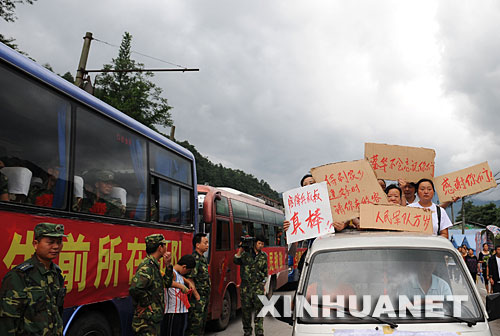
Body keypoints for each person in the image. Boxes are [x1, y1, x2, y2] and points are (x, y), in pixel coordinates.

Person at [0, 223, 67, 335]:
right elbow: (8, 322)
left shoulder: (56, 273)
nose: (56, 247)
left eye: (59, 242)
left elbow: (57, 311)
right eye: (50, 242)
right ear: (35, 244)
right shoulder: (19, 276)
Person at [129, 234, 174, 335]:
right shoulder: (148, 266)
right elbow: (135, 288)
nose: (166, 248)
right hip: (146, 321)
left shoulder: (154, 265)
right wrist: (145, 302)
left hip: (153, 319)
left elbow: (167, 283)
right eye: (164, 245)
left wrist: (168, 266)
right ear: (160, 248)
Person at [234, 235, 268, 336]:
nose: (261, 246)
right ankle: (247, 331)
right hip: (246, 288)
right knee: (246, 312)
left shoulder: (263, 256)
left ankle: (259, 331)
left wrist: (263, 284)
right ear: (255, 243)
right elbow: (235, 260)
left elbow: (265, 272)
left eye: (262, 244)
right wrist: (240, 249)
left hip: (258, 287)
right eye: (259, 243)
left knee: (259, 310)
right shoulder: (245, 255)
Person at [161, 255, 196, 336]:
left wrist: (188, 282)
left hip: (181, 311)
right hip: (172, 311)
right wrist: (182, 287)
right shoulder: (172, 273)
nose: (188, 273)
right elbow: (168, 282)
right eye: (188, 270)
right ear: (184, 267)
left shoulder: (179, 275)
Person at [185, 233, 211, 336]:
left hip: (204, 297)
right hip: (197, 300)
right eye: (205, 243)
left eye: (207, 243)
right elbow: (190, 279)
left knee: (201, 325)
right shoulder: (194, 259)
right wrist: (197, 296)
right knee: (195, 326)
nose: (207, 245)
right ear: (197, 245)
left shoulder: (202, 258)